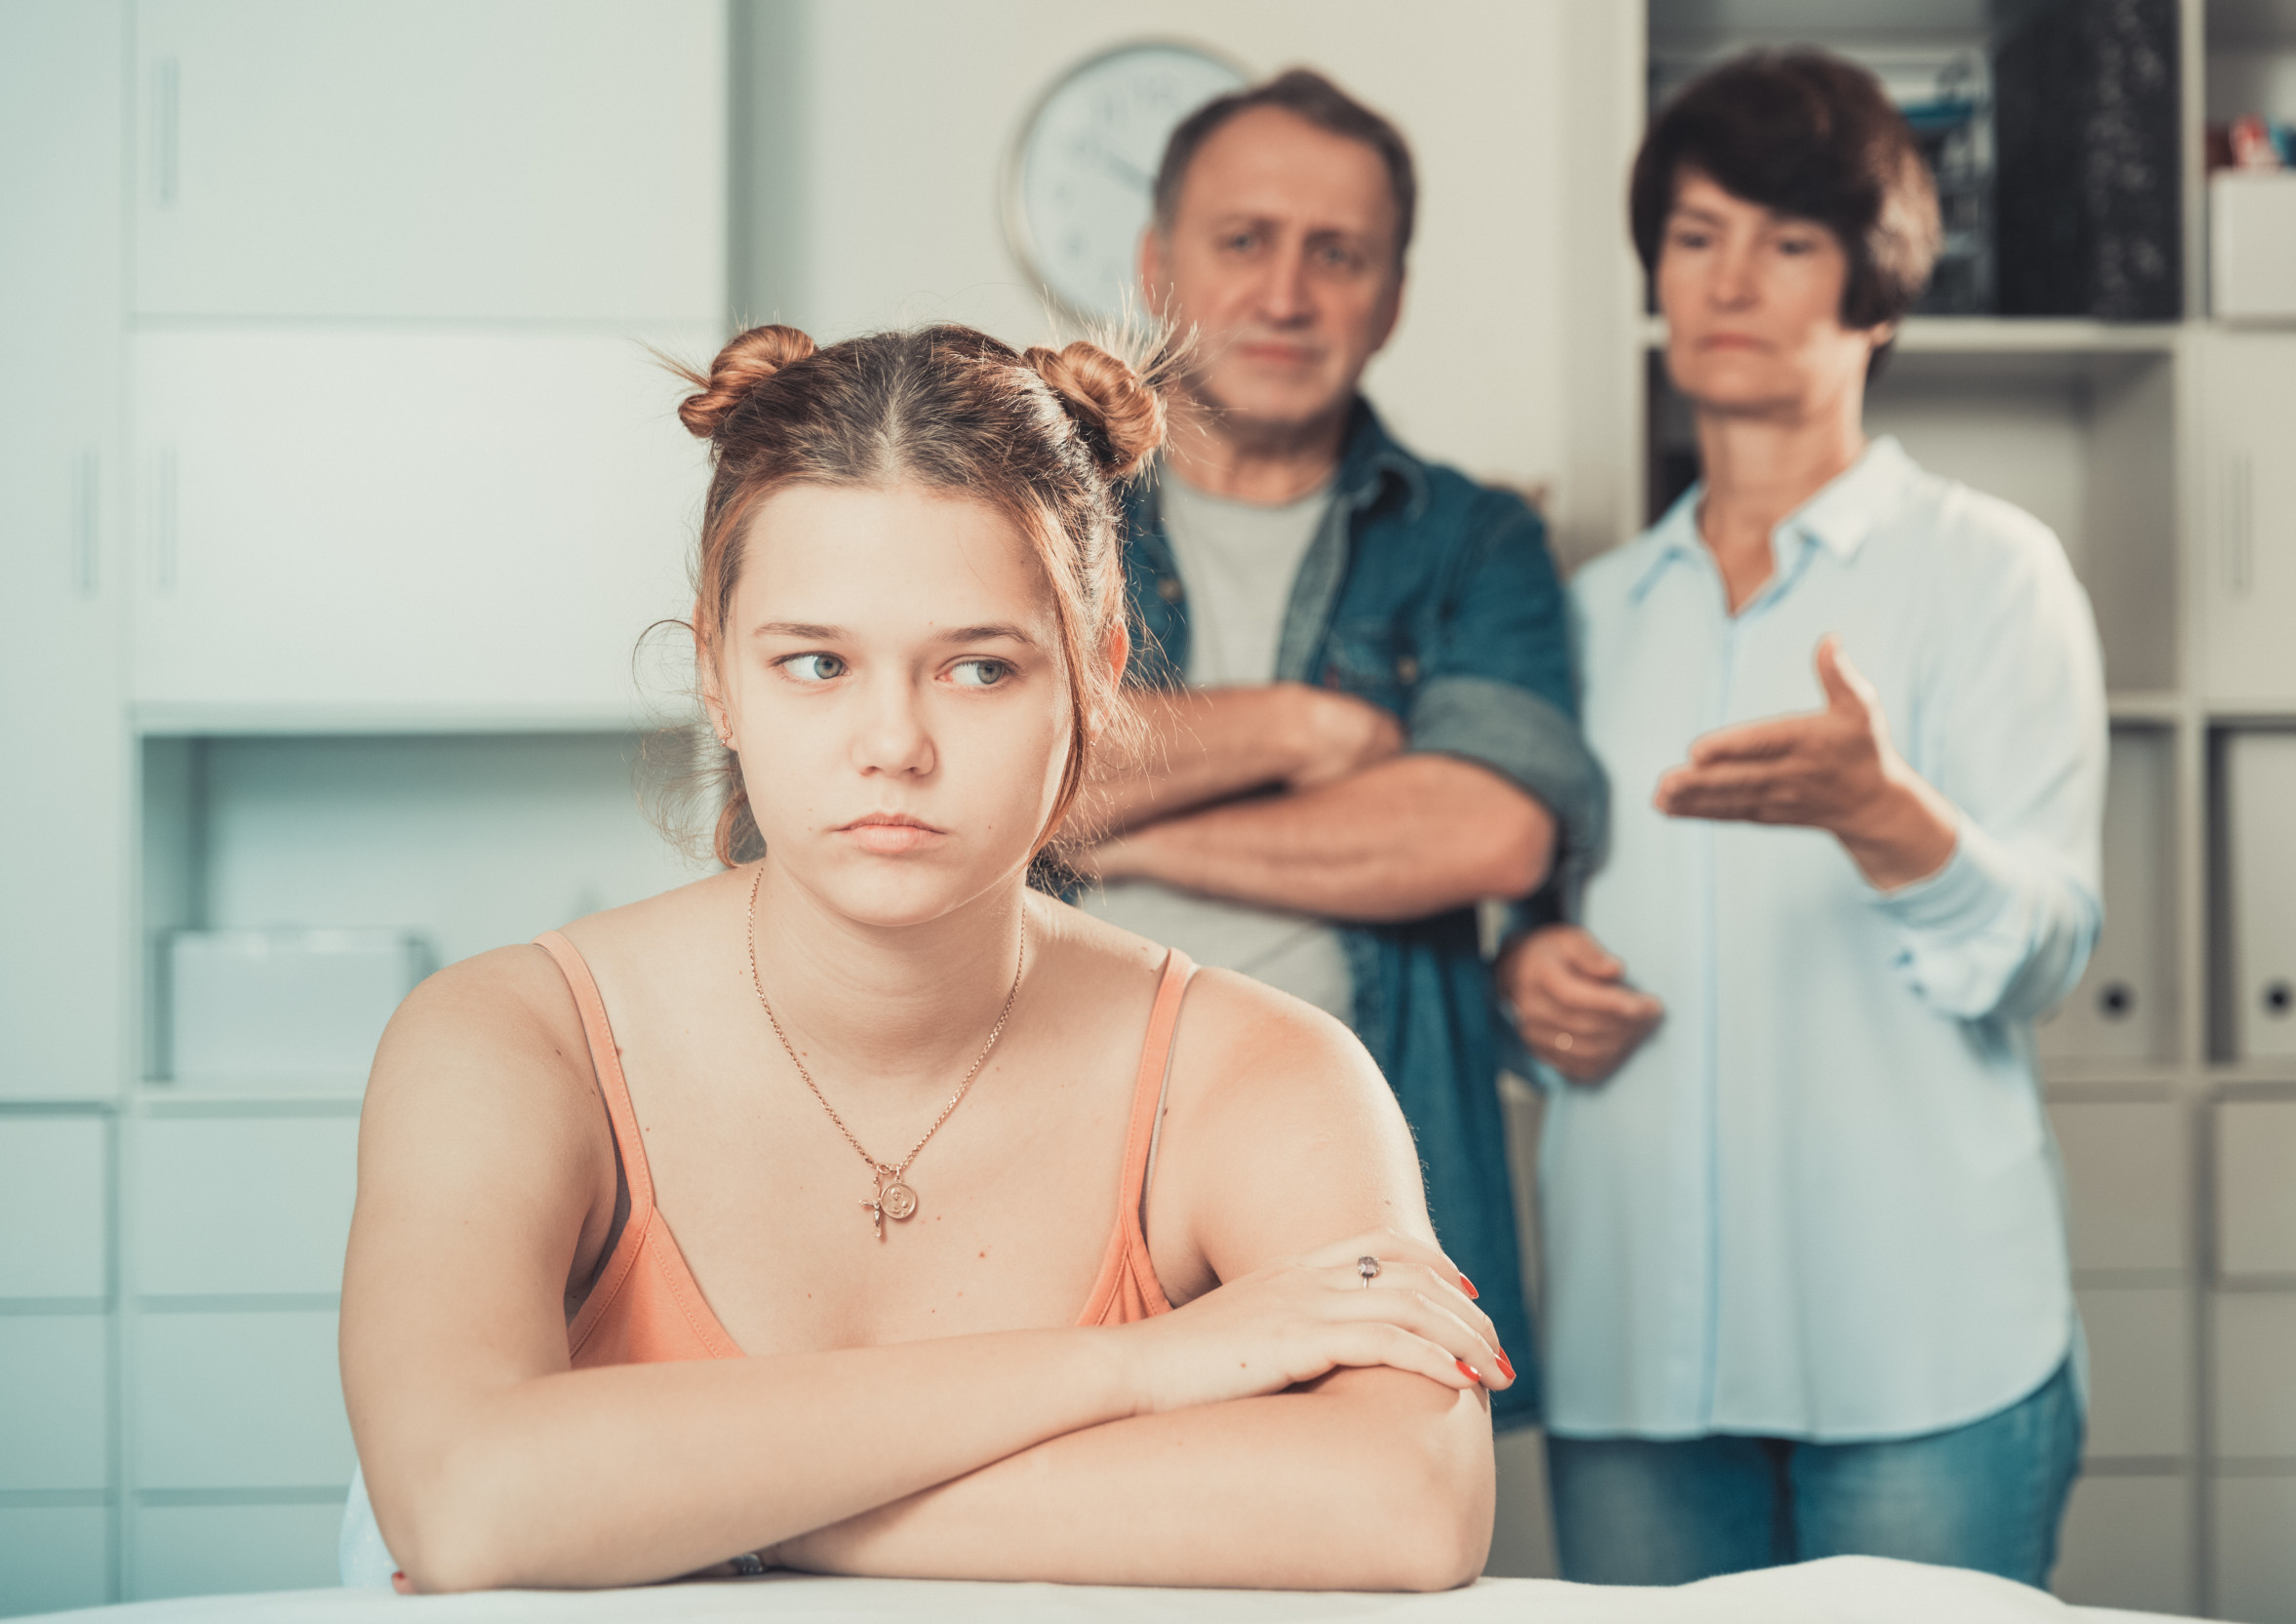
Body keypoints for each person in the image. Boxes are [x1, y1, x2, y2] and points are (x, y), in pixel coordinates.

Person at [336, 322, 1513, 1594]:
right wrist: (1131, 1368)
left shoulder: (1263, 1068)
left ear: (1094, 675)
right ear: (716, 675)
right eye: (816, 663)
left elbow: (1408, 1504)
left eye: (978, 667)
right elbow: (463, 1501)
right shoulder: (509, 1039)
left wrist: (691, 1508)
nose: (892, 742)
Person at [1497, 51, 2103, 1587]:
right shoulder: (1584, 615)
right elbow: (1529, 913)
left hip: (1924, 1353)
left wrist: (1890, 821)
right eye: (1696, 236)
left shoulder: (1991, 572)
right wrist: (1524, 985)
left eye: (1787, 240)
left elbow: (2046, 946)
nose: (1731, 280)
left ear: (1877, 287)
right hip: (1642, 1350)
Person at [1079, 68, 1603, 1431]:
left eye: (1339, 253)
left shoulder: (1475, 541)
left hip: (1356, 1200)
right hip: (1045, 1170)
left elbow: (1487, 833)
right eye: (1242, 240)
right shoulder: (1034, 516)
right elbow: (943, 777)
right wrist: (1292, 729)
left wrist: (1100, 813)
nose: (1286, 293)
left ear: (1393, 295)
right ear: (1156, 264)